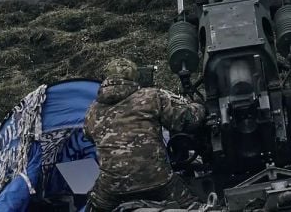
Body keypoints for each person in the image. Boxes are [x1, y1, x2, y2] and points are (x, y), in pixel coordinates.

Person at [84, 58, 205, 212]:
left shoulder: (93, 110)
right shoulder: (152, 96)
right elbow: (185, 120)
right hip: (157, 180)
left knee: (93, 206)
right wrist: (199, 106)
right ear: (135, 76)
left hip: (112, 188)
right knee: (192, 205)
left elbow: (88, 136)